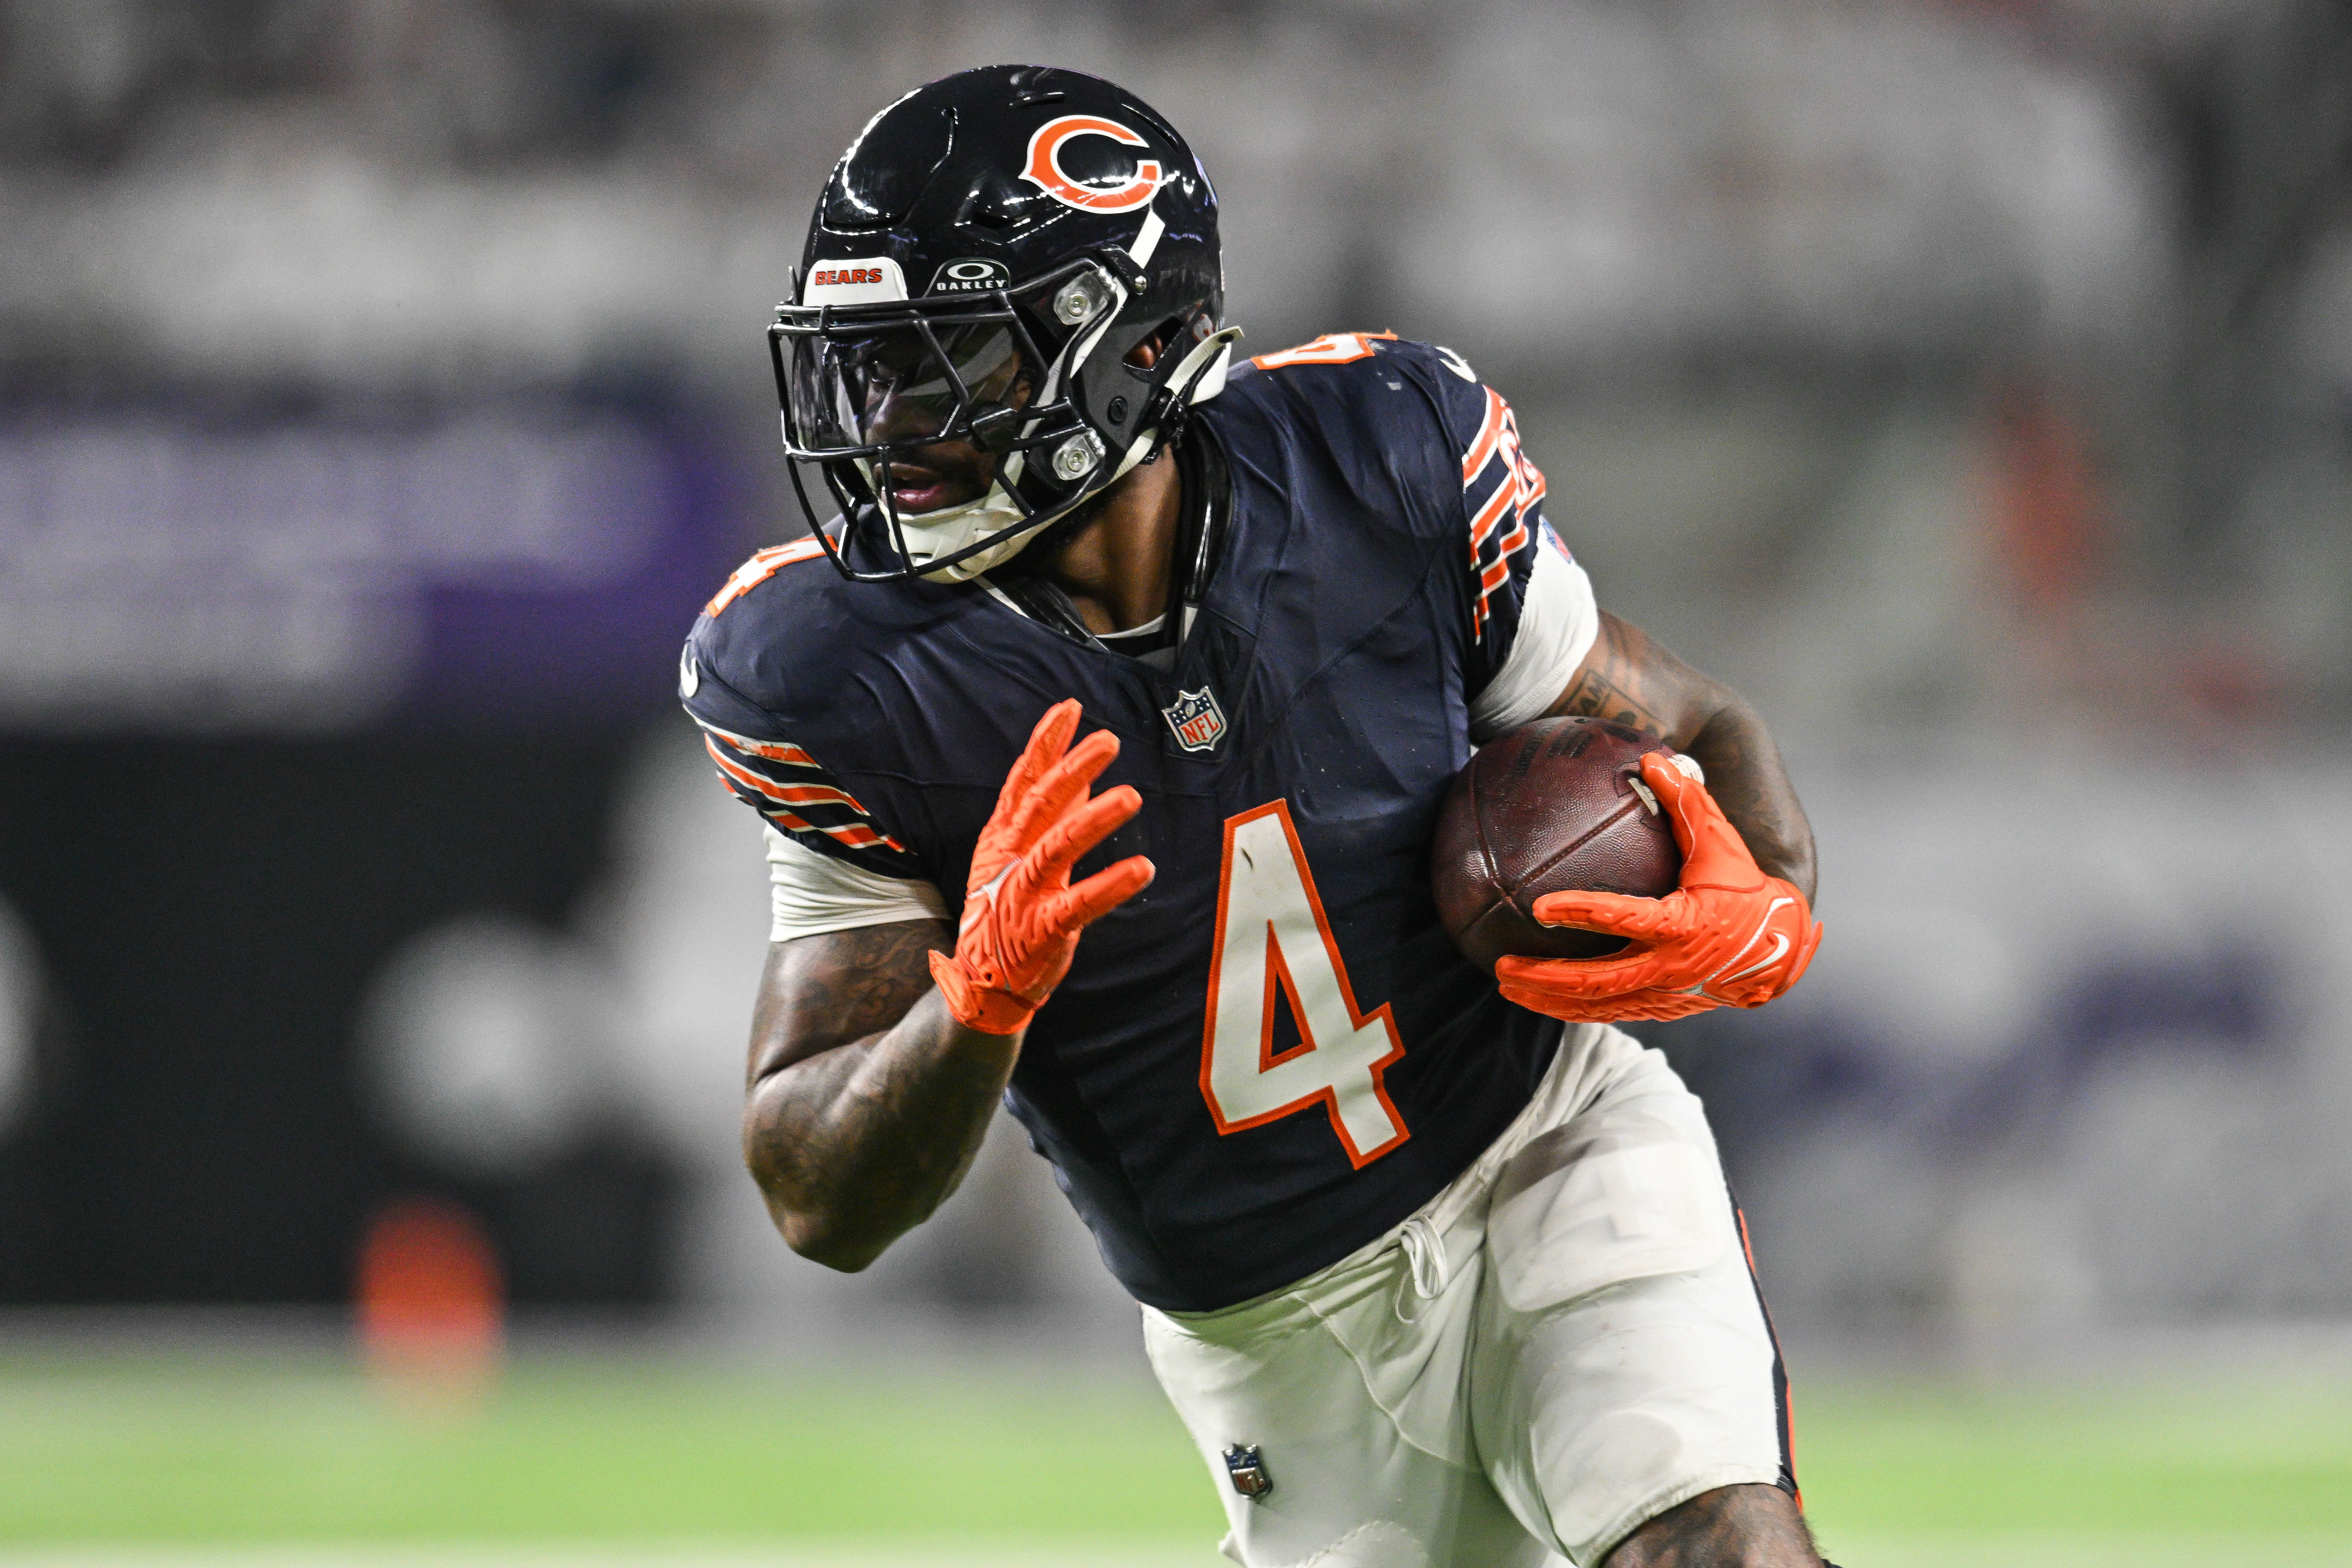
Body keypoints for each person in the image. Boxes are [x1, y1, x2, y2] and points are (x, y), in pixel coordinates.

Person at [681, 64, 1830, 1568]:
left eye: (948, 356)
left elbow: (1694, 726)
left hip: (1552, 1152)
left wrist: (1771, 899)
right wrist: (974, 1000)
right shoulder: (842, 675)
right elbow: (811, 1189)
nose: (889, 421)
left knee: (1725, 1548)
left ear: (1140, 345)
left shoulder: (1380, 470)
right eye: (866, 364)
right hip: (1274, 1329)